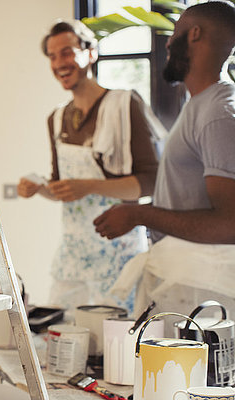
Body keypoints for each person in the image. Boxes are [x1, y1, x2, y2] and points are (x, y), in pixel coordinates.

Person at [93, 1, 235, 319]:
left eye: (175, 32)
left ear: (195, 34)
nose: (169, 42)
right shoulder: (199, 105)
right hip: (186, 281)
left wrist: (139, 214)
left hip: (205, 293)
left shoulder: (218, 113)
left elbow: (230, 224)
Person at [17, 20, 164, 313]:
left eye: (67, 52)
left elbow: (151, 182)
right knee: (65, 342)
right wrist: (40, 189)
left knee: (118, 345)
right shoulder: (56, 119)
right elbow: (63, 188)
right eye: (53, 56)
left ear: (91, 53)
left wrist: (89, 186)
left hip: (119, 255)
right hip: (73, 259)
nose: (59, 62)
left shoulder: (125, 105)